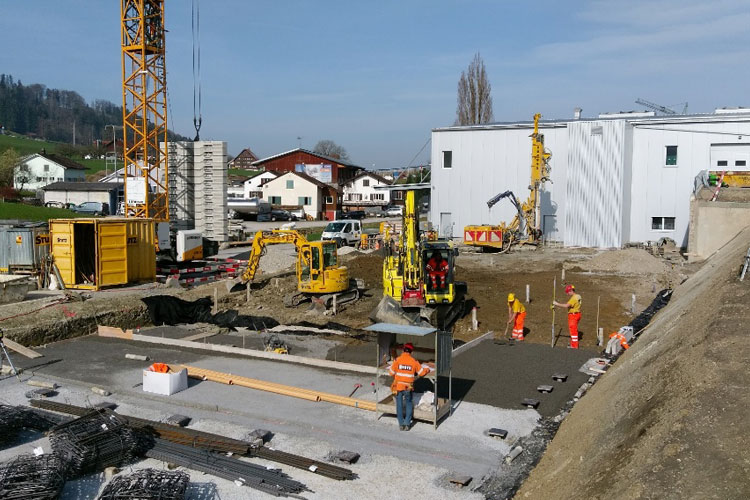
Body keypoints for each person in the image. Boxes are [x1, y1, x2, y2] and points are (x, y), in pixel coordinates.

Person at [388, 342, 430, 431]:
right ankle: (407, 423)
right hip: (408, 387)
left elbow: (391, 372)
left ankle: (401, 424)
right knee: (409, 403)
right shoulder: (414, 361)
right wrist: (427, 369)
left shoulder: (397, 360)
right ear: (411, 352)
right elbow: (422, 373)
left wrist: (398, 376)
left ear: (403, 350)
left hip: (398, 386)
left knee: (399, 404)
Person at [553, 284, 582, 348]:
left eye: (568, 292)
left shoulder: (573, 298)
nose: (567, 294)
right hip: (578, 314)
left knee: (573, 331)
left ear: (571, 290)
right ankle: (572, 344)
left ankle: (574, 346)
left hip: (573, 315)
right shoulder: (578, 296)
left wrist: (556, 304)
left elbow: (566, 305)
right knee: (574, 330)